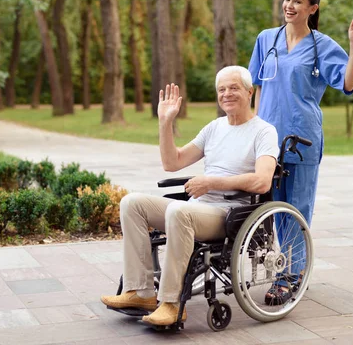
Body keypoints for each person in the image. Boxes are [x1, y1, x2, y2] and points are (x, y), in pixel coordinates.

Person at [100, 66, 279, 326]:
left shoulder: (263, 131)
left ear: (250, 92)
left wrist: (213, 182)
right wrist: (165, 123)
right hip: (197, 208)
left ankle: (172, 304)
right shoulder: (214, 128)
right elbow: (172, 162)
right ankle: (140, 292)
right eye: (221, 89)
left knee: (178, 211)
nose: (226, 94)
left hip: (230, 214)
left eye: (233, 88)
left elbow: (262, 182)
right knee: (132, 203)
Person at [247, 0, 353, 304]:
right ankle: (286, 268)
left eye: (298, 1)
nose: (289, 6)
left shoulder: (322, 45)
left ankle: (289, 276)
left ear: (312, 8)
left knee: (296, 209)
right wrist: (251, 129)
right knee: (272, 210)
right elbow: (256, 86)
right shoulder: (266, 39)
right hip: (267, 140)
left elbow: (347, 84)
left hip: (302, 139)